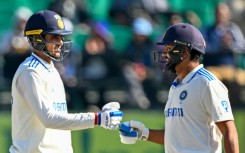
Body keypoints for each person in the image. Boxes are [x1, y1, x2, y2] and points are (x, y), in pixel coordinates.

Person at [9, 10, 123, 153]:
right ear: (36, 38)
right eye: (54, 37)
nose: (60, 42)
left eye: (61, 37)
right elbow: (48, 118)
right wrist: (97, 118)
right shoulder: (30, 72)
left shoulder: (50, 69)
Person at [119, 23, 239, 153]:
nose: (165, 54)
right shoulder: (176, 85)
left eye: (169, 48)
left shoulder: (207, 83)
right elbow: (174, 138)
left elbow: (228, 131)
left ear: (185, 52)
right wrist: (142, 133)